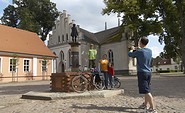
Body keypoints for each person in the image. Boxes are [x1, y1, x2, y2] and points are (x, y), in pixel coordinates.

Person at [128, 37, 157, 113]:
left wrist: (132, 48)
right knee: (146, 89)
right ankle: (145, 104)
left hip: (142, 73)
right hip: (148, 72)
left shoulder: (140, 51)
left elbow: (129, 54)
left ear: (140, 42)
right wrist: (138, 48)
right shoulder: (149, 51)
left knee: (146, 91)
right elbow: (142, 53)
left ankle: (152, 108)